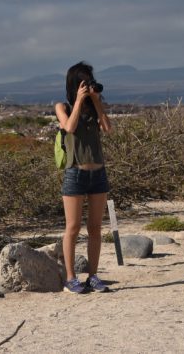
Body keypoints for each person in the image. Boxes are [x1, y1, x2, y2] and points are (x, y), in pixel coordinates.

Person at [54, 61, 112, 294]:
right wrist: (78, 101)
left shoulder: (95, 107)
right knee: (73, 227)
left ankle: (94, 276)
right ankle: (70, 277)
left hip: (98, 173)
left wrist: (97, 102)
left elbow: (108, 128)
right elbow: (68, 127)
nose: (87, 87)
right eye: (83, 82)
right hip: (75, 173)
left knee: (96, 227)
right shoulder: (63, 107)